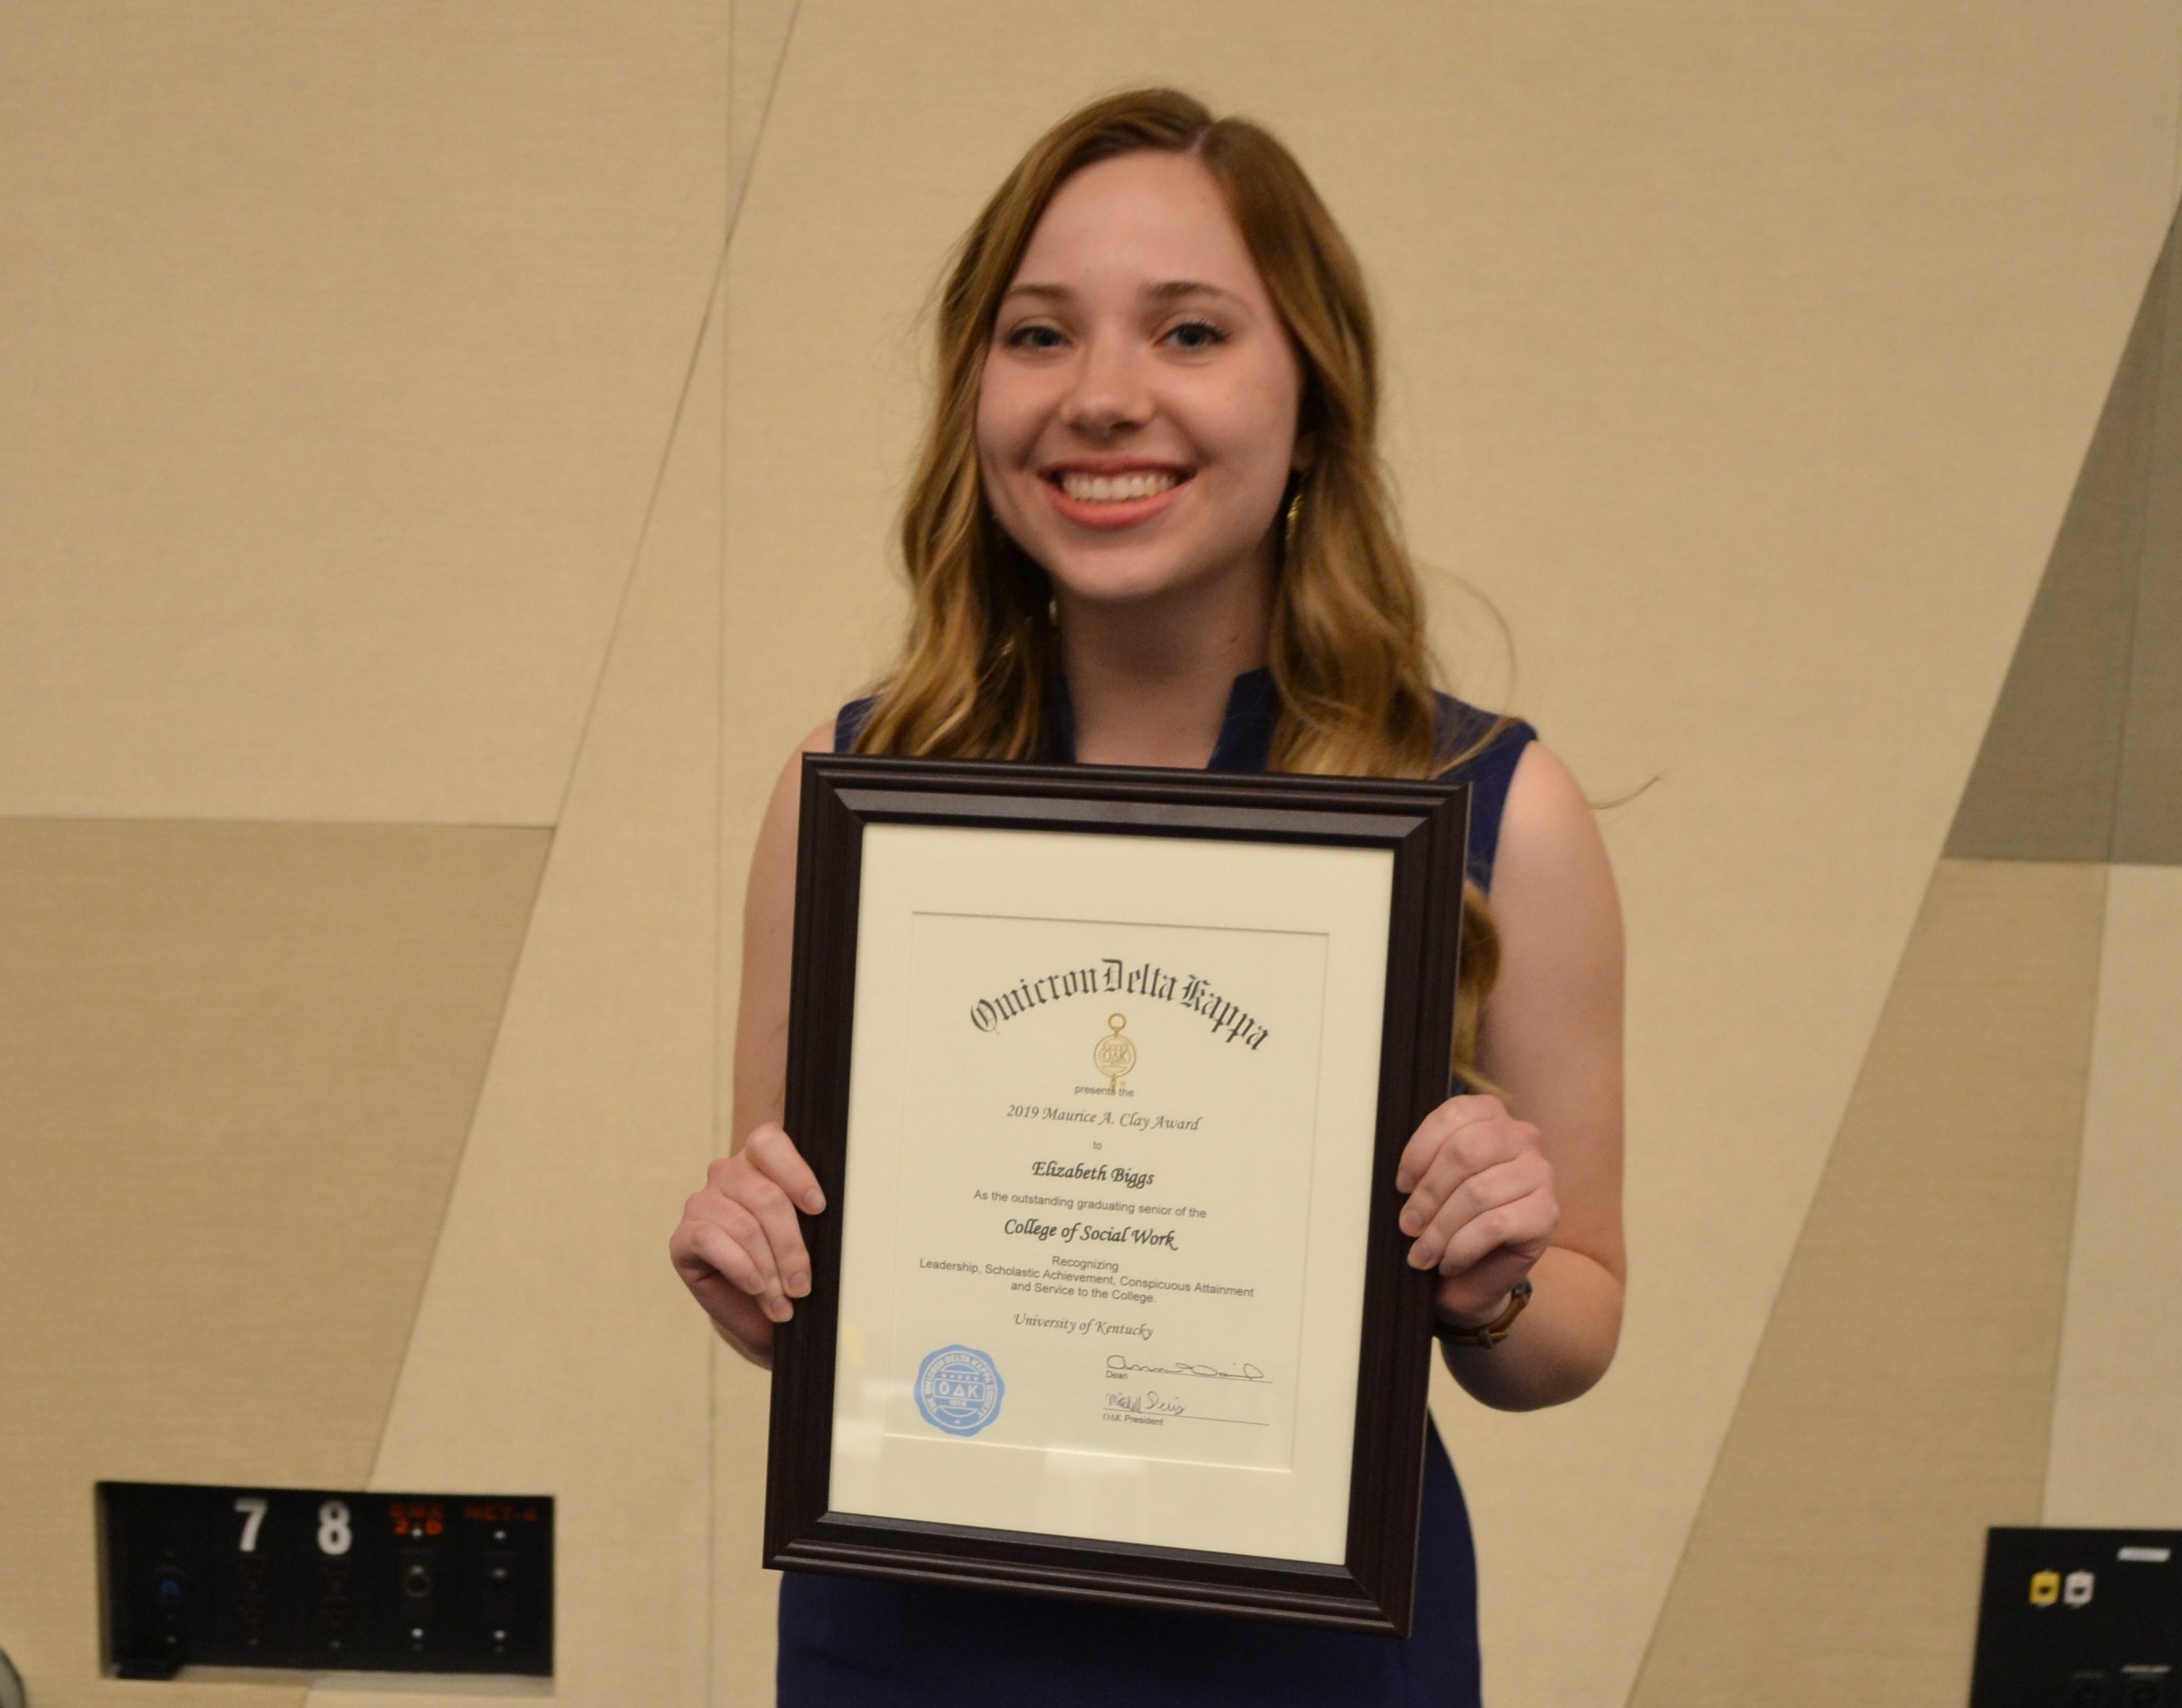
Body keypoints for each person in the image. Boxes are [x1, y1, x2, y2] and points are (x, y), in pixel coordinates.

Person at [670, 87, 1624, 1707]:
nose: (1103, 398)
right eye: (1038, 336)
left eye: (1188, 334)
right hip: (905, 1641)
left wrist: (1494, 1277)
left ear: (1313, 400)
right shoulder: (848, 794)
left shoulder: (1495, 810)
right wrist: (747, 1267)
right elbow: (805, 1297)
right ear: (975, 393)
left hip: (1315, 1660)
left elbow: (1570, 1329)